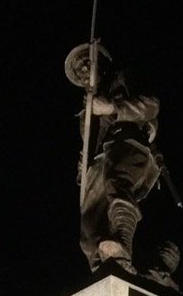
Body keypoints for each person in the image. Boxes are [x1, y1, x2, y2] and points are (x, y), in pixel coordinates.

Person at [65, 43, 162, 274]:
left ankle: (122, 244)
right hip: (100, 162)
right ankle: (102, 269)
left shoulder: (122, 79)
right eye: (80, 71)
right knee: (89, 227)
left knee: (116, 182)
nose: (85, 71)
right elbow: (88, 145)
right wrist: (83, 168)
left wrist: (112, 107)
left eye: (88, 64)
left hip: (128, 146)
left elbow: (151, 106)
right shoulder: (85, 112)